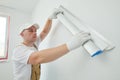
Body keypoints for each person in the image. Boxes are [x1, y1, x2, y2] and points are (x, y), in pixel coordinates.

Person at [12, 8, 91, 80]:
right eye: (30, 30)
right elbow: (37, 58)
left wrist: (50, 18)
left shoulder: (34, 43)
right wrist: (70, 45)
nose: (35, 33)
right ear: (22, 34)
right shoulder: (18, 50)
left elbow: (44, 32)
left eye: (35, 31)